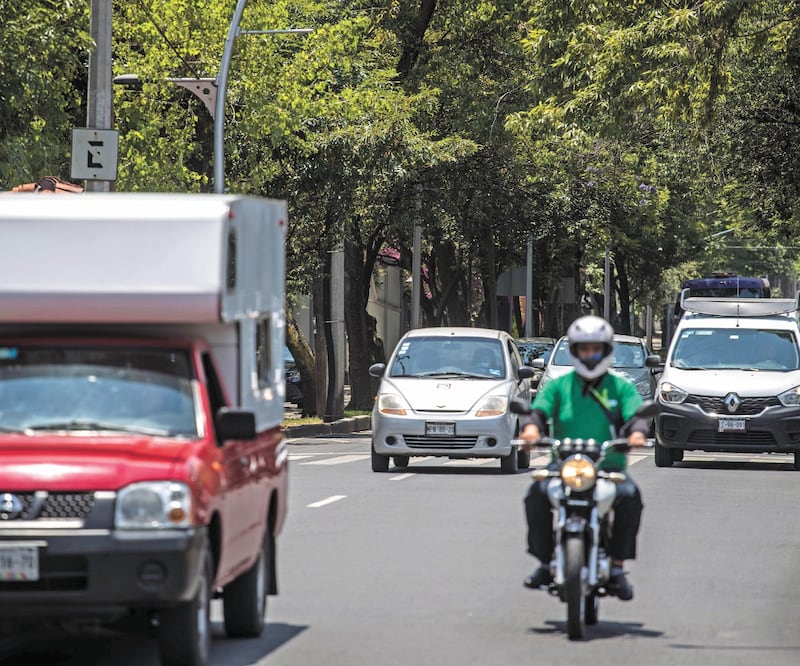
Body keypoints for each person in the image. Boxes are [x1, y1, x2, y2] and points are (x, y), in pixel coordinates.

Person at [519, 315, 648, 601]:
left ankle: (617, 567)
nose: (590, 355)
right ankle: (544, 562)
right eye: (584, 349)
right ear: (575, 352)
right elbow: (538, 411)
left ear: (606, 350)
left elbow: (636, 416)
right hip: (563, 466)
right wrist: (530, 429)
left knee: (631, 498)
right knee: (535, 497)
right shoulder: (559, 386)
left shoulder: (621, 387)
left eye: (596, 349)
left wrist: (637, 433)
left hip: (608, 468)